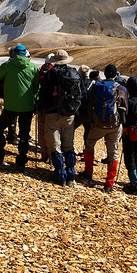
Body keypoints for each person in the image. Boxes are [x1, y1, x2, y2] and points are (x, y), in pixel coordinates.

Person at [0, 44, 39, 170]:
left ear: (15, 54)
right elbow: (36, 87)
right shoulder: (33, 67)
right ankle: (21, 161)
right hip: (27, 107)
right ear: (25, 54)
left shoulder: (8, 65)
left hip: (10, 106)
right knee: (24, 134)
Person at [81, 64, 128, 192]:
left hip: (98, 124)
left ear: (105, 74)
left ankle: (88, 173)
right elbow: (124, 108)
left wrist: (92, 120)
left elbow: (88, 103)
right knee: (113, 152)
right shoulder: (121, 88)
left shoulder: (96, 86)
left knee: (89, 144)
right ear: (115, 75)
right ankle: (109, 183)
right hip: (114, 125)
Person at [37, 50, 81, 186]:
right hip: (69, 114)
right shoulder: (74, 73)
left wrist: (40, 108)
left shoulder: (51, 73)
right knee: (68, 145)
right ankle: (71, 175)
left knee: (55, 146)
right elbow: (81, 93)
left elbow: (43, 93)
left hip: (52, 113)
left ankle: (60, 175)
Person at [36, 53, 55, 162]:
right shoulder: (55, 71)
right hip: (52, 106)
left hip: (41, 104)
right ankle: (52, 156)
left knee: (42, 130)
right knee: (51, 132)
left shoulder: (41, 69)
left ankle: (44, 155)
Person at [73, 65, 93, 148]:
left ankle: (70, 147)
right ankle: (86, 151)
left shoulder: (77, 82)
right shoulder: (92, 83)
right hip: (88, 112)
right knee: (88, 132)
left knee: (71, 130)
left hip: (78, 111)